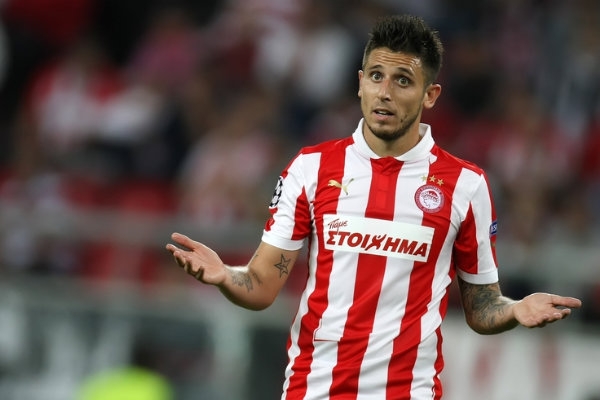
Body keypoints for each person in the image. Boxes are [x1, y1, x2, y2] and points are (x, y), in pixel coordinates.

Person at [166, 14, 582, 400]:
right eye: (377, 76)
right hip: (314, 389)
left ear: (430, 94)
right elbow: (261, 284)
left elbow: (482, 307)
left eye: (403, 81)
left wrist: (515, 309)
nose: (385, 92)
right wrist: (226, 276)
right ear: (360, 82)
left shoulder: (465, 185)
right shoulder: (310, 168)